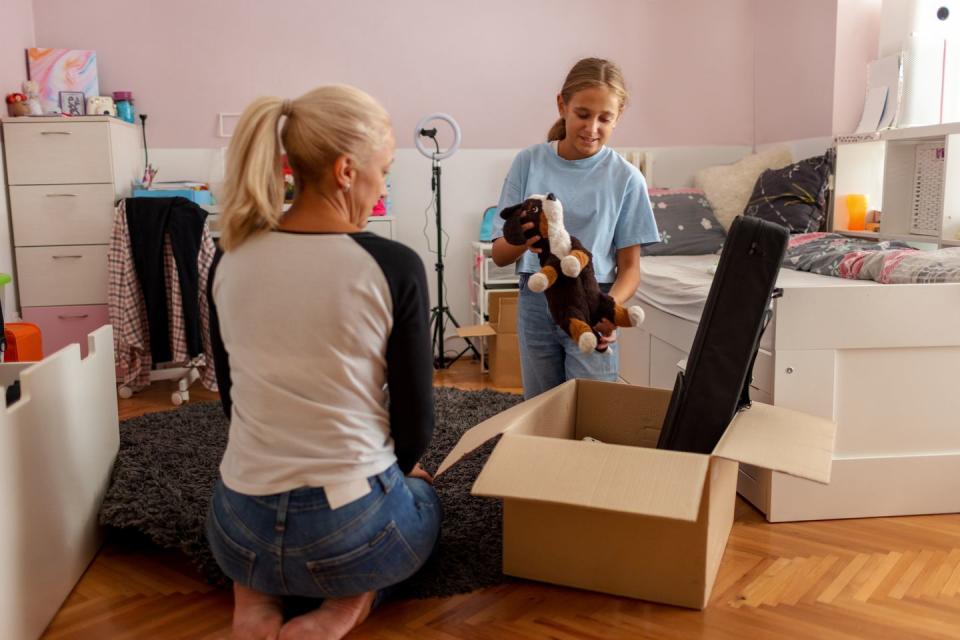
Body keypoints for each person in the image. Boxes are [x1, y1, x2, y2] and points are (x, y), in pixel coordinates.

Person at [205, 85, 441, 640]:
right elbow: (415, 426)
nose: (382, 185)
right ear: (344, 171)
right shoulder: (393, 265)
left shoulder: (228, 254)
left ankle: (255, 605)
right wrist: (404, 475)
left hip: (237, 528)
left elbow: (232, 400)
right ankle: (341, 610)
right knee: (425, 498)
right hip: (349, 532)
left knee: (259, 514)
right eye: (382, 171)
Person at [490, 57, 660, 399]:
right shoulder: (529, 162)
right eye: (583, 114)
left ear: (618, 117)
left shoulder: (627, 179)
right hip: (536, 298)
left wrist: (607, 308)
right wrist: (528, 234)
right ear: (562, 105)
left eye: (604, 118)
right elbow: (499, 255)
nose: (592, 128)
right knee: (540, 408)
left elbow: (630, 269)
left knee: (592, 410)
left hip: (593, 298)